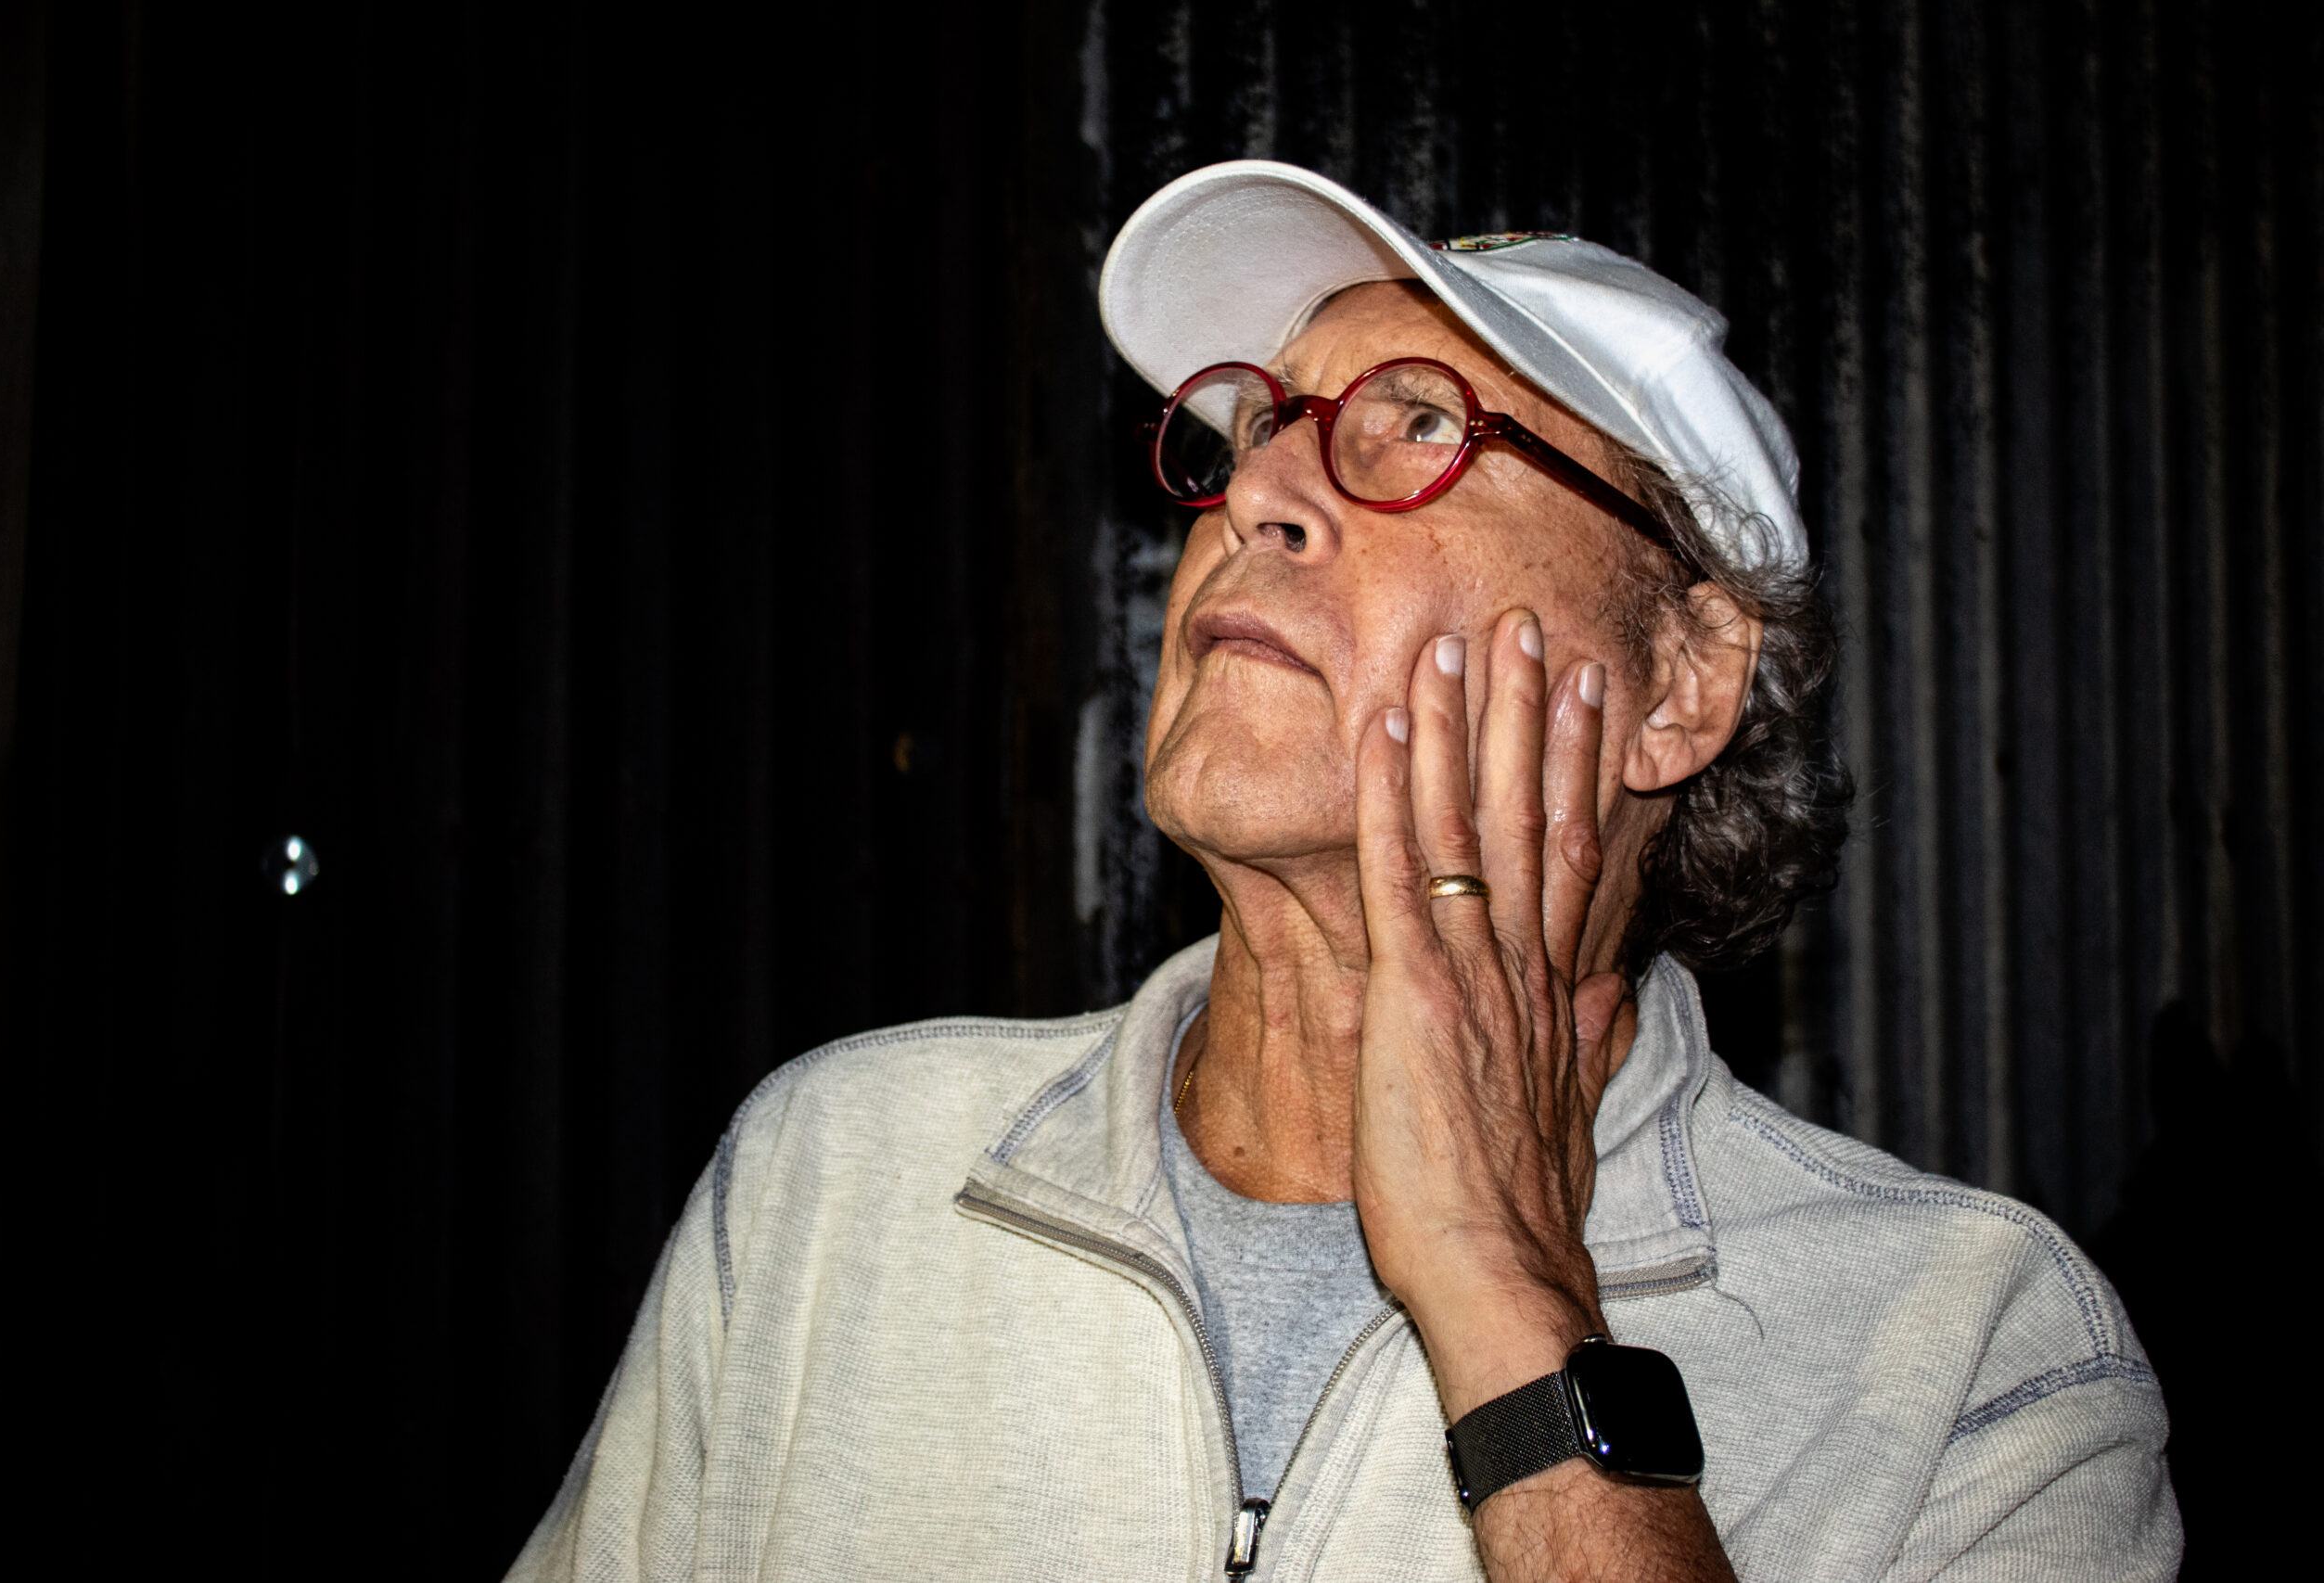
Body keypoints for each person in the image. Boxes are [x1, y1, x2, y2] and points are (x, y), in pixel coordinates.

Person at [508, 161, 2179, 1581]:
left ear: (1679, 679)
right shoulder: (838, 1181)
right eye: (1251, 430)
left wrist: (1516, 1299)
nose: (1257, 494)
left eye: (1416, 425)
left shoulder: (1974, 1354)